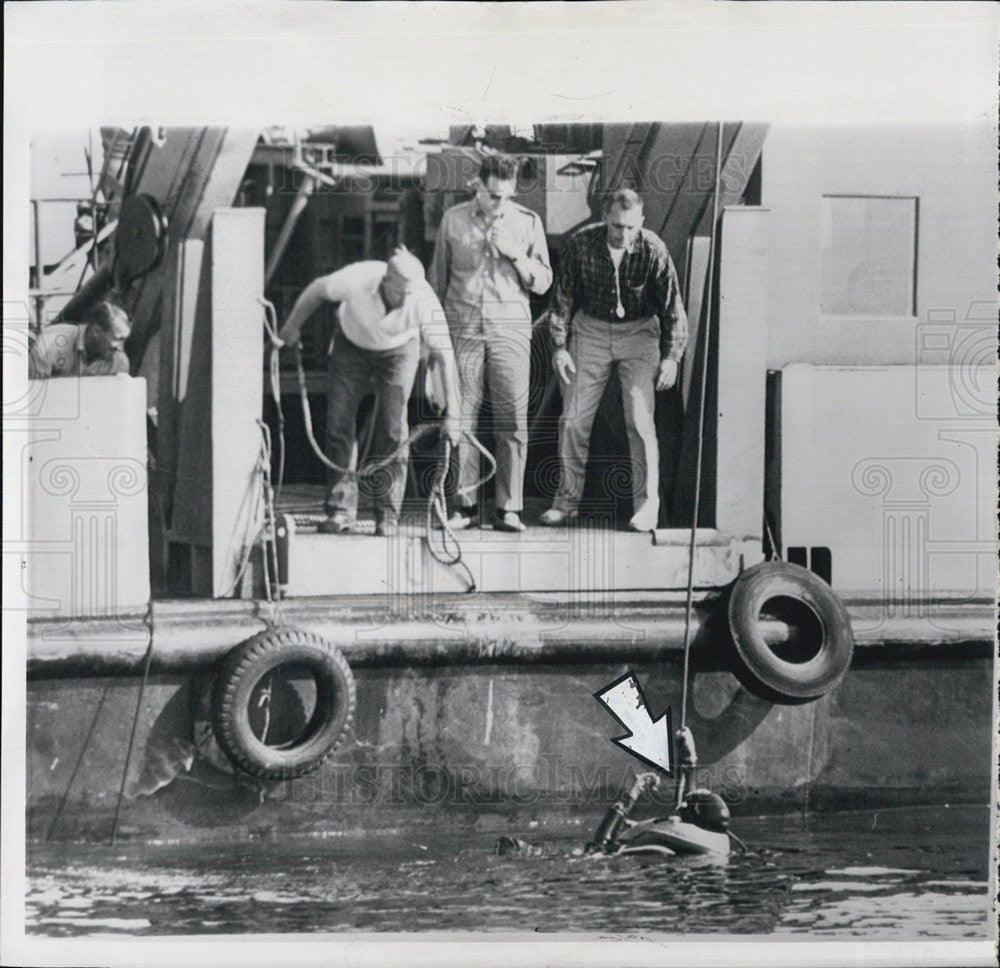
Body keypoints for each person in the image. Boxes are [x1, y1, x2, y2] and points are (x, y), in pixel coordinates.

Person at [278, 248, 460, 537]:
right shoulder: (358, 278)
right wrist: (290, 329)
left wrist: (453, 413)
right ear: (386, 283)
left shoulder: (423, 301)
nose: (407, 300)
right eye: (402, 294)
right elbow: (316, 291)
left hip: (399, 350)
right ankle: (340, 509)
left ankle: (387, 513)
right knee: (339, 423)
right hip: (352, 345)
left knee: (393, 428)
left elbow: (444, 354)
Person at [540, 189, 688, 532]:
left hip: (639, 333)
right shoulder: (581, 244)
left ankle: (647, 507)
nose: (624, 235)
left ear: (642, 223)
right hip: (590, 330)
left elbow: (672, 309)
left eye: (631, 228)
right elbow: (561, 300)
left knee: (639, 419)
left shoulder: (654, 249)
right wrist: (559, 347)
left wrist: (672, 358)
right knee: (573, 418)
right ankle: (566, 503)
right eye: (618, 226)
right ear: (605, 218)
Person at [429, 154, 552, 532]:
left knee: (512, 421)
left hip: (510, 332)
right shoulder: (453, 220)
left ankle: (508, 508)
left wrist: (516, 254)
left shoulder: (528, 223)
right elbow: (437, 283)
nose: (498, 201)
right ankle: (463, 505)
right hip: (463, 329)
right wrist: (432, 347)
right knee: (462, 418)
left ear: (513, 190)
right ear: (478, 186)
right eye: (491, 194)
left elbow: (544, 282)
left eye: (505, 195)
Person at [28, 300, 131, 379]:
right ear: (96, 331)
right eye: (117, 339)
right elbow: (36, 394)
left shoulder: (119, 362)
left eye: (124, 339)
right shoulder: (51, 343)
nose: (120, 348)